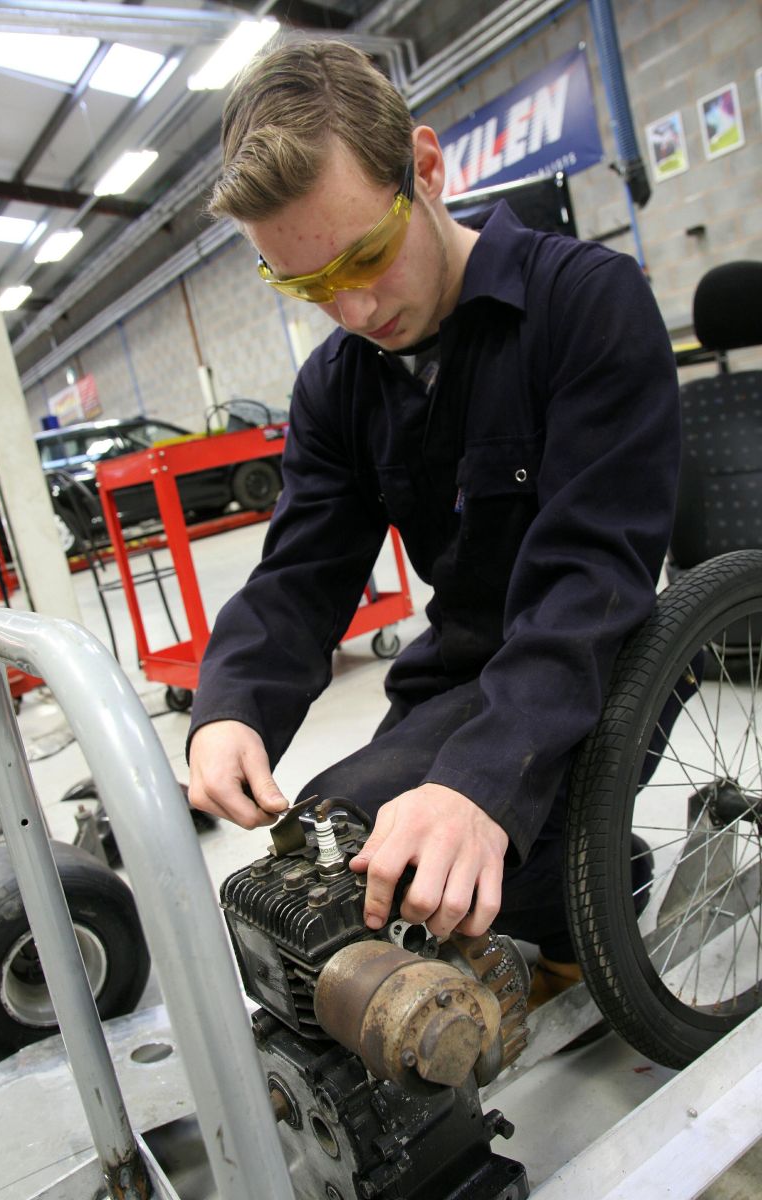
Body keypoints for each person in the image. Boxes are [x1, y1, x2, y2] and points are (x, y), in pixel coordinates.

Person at [187, 36, 680, 988]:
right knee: (332, 846)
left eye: (365, 254)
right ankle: (582, 888)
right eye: (307, 284)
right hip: (458, 674)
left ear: (424, 166)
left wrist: (478, 782)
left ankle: (582, 895)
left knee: (398, 849)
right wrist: (230, 707)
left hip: (606, 659)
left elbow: (592, 580)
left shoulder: (586, 305)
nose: (355, 306)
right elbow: (302, 574)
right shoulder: (336, 384)